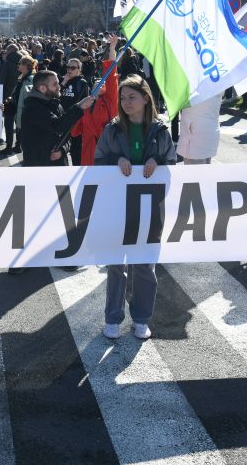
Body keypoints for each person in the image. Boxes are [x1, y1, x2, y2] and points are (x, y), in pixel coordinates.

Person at [94, 75, 176, 340]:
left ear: (145, 98)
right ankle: (113, 318)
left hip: (150, 210)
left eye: (132, 97)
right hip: (117, 208)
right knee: (116, 265)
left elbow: (171, 164)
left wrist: (157, 161)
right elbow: (98, 163)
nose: (126, 102)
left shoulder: (161, 131)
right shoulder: (112, 129)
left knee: (144, 266)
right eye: (123, 97)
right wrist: (116, 159)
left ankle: (141, 319)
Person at [20, 69, 96, 166]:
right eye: (55, 84)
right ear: (43, 88)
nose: (59, 87)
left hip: (59, 166)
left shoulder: (55, 103)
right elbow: (57, 126)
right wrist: (79, 107)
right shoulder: (33, 107)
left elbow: (67, 133)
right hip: (39, 168)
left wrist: (62, 151)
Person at [71, 39, 119, 166]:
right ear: (92, 89)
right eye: (97, 82)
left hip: (107, 154)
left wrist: (112, 48)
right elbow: (75, 131)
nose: (100, 82)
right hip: (88, 155)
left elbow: (111, 74)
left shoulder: (110, 101)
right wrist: (77, 108)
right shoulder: (85, 105)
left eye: (103, 82)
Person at [12, 56, 37, 154]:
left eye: (19, 63)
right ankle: (20, 148)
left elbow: (30, 98)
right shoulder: (22, 76)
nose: (18, 65)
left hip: (25, 112)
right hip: (19, 109)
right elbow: (18, 91)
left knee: (27, 137)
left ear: (26, 66)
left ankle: (29, 159)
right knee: (21, 132)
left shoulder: (31, 79)